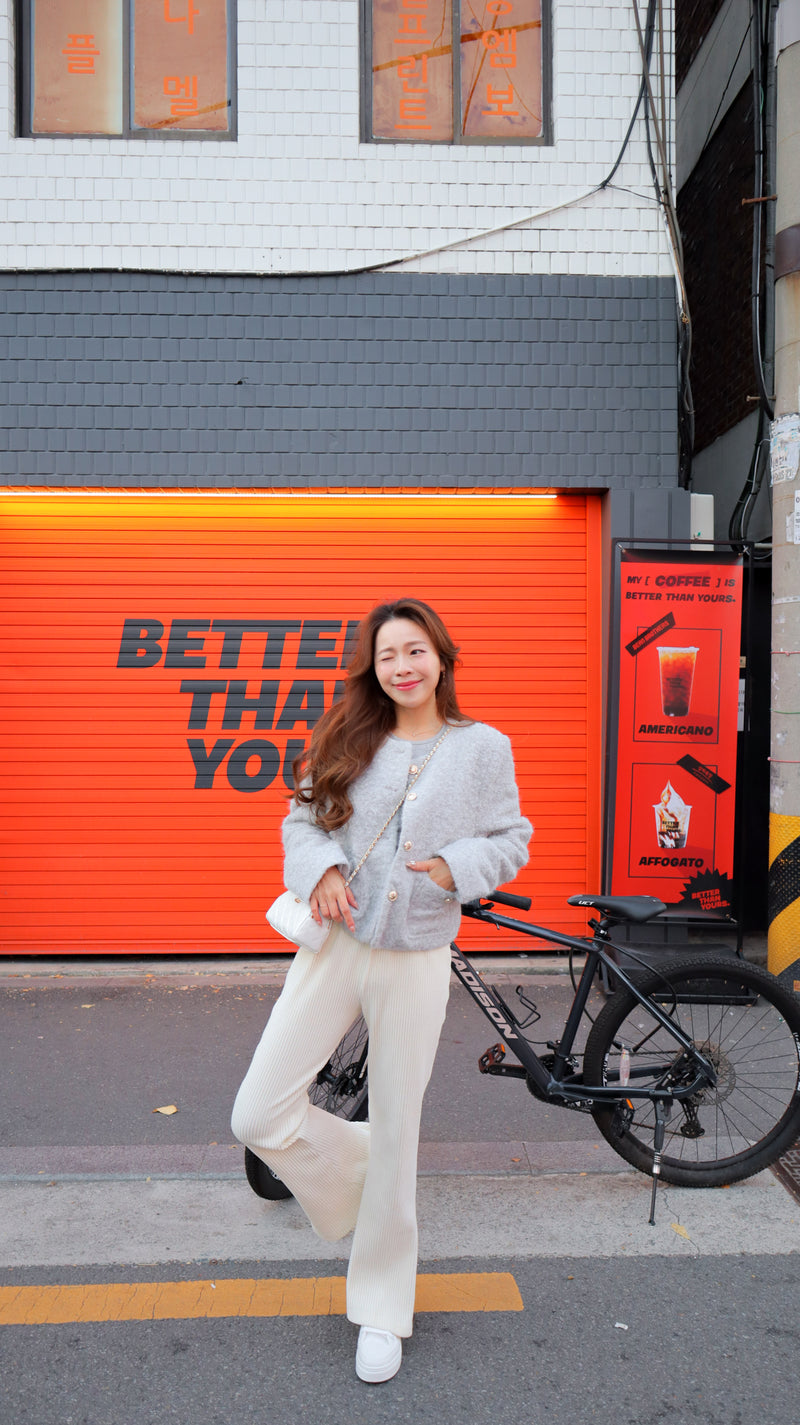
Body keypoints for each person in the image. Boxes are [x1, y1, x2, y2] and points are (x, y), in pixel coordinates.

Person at [231, 597, 531, 1383]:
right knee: (258, 1111)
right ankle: (371, 1161)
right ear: (374, 666)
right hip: (336, 947)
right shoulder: (347, 735)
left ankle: (379, 1308)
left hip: (418, 956)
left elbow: (512, 838)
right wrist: (322, 868)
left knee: (403, 1122)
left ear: (442, 657)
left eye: (416, 651)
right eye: (389, 654)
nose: (403, 666)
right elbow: (302, 820)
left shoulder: (483, 747)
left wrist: (457, 868)